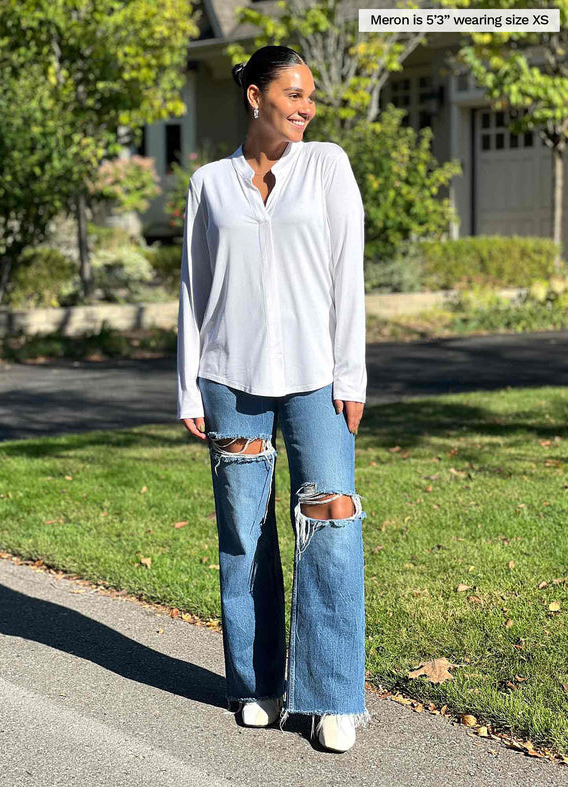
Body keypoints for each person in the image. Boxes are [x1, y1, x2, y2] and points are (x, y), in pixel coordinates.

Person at [176, 44, 369, 753]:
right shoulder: (209, 183)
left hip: (318, 378)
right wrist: (187, 384)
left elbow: (348, 276)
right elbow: (195, 291)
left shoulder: (326, 167)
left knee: (332, 524)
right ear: (255, 96)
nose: (306, 106)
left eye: (310, 96)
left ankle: (332, 695)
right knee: (245, 532)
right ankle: (257, 681)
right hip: (229, 379)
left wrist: (353, 376)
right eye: (292, 93)